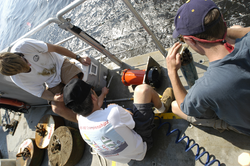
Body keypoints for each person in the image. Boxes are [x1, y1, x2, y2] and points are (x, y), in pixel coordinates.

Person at [166, 0, 250, 135]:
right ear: (222, 21)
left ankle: (223, 125)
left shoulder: (205, 88)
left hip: (246, 124)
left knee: (176, 107)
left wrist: (172, 71)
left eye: (183, 39)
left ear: (192, 41)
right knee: (238, 27)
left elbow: (185, 107)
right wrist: (221, 31)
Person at [63, 78, 174, 163]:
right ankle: (163, 107)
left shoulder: (81, 123)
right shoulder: (113, 113)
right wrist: (120, 110)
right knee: (143, 90)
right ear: (93, 96)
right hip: (143, 146)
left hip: (126, 158)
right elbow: (132, 122)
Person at [0, 38, 91, 122]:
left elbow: (55, 48)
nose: (30, 65)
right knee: (57, 109)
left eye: (25, 61)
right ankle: (84, 123)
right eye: (25, 70)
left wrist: (78, 58)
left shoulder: (24, 45)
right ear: (15, 73)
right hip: (51, 82)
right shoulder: (17, 79)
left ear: (18, 55)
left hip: (61, 65)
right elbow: (40, 92)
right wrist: (54, 98)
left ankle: (95, 110)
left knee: (75, 88)